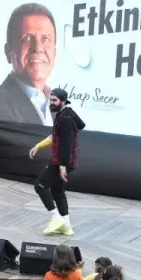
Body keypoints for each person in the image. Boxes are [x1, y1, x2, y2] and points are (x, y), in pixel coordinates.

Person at [0, 3, 57, 125]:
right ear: (8, 52)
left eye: (45, 39)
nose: (38, 48)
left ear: (55, 52)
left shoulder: (60, 106)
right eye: (26, 39)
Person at [30, 88, 86, 236]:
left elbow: (66, 144)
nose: (51, 103)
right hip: (64, 161)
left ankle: (56, 217)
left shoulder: (65, 119)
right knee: (57, 190)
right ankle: (66, 226)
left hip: (61, 162)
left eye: (55, 100)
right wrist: (38, 146)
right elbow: (59, 135)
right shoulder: (66, 114)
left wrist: (62, 166)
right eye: (50, 100)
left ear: (63, 101)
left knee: (40, 186)